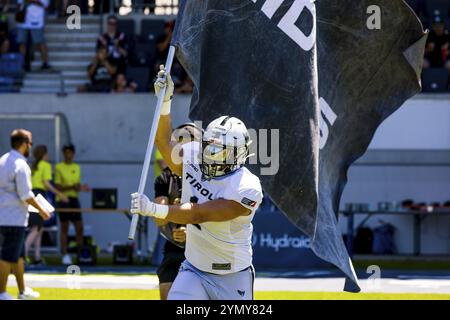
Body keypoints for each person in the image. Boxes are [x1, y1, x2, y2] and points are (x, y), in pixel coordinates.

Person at [131, 66, 263, 300]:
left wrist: (152, 208)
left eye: (219, 151)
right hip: (193, 269)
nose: (211, 155)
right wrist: (165, 101)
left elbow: (198, 214)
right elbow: (163, 142)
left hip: (232, 274)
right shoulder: (194, 156)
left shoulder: (246, 187)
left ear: (238, 154)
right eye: (209, 147)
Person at [0, 129, 51, 300]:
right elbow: (26, 195)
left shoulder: (3, 160)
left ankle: (22, 291)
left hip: (5, 216)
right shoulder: (20, 164)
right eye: (30, 143)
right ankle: (2, 292)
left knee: (18, 256)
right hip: (13, 218)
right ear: (23, 144)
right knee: (7, 256)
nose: (30, 146)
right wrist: (43, 210)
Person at [154, 123, 202, 300]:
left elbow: (214, 212)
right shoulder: (165, 178)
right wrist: (174, 211)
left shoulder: (208, 176)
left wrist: (191, 230)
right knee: (166, 287)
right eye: (180, 144)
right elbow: (160, 219)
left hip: (204, 246)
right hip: (174, 245)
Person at [25, 145, 68, 266]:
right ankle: (22, 255)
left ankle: (37, 257)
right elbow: (47, 184)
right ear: (44, 154)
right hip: (39, 196)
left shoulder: (31, 166)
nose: (48, 156)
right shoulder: (45, 165)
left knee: (39, 228)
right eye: (47, 154)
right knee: (35, 229)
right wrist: (60, 194)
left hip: (30, 196)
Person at [54, 144, 90, 265]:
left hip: (74, 199)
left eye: (70, 152)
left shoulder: (77, 167)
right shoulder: (59, 167)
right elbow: (57, 187)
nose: (68, 155)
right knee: (64, 228)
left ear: (73, 154)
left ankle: (80, 255)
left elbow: (76, 185)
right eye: (66, 152)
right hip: (63, 200)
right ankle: (64, 255)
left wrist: (82, 187)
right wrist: (72, 187)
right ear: (63, 154)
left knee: (79, 227)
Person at [16, 0, 51, 70]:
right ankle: (23, 63)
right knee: (21, 42)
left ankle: (45, 63)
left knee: (40, 42)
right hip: (23, 20)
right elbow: (19, 4)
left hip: (36, 20)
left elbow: (45, 4)